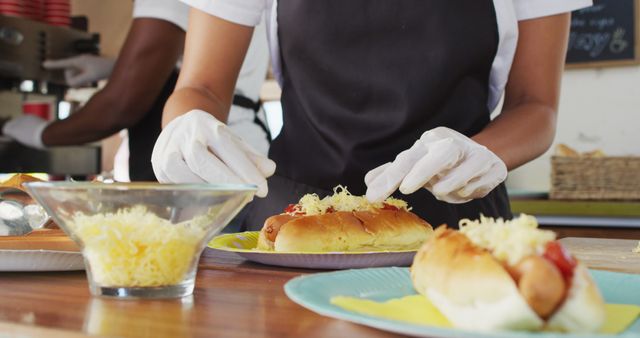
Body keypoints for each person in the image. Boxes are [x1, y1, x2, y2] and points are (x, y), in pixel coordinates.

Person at [151, 0, 592, 229]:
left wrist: (480, 152)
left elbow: (536, 105)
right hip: (297, 223)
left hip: (455, 222)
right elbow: (201, 88)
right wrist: (184, 126)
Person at [2, 0, 270, 181]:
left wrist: (41, 134)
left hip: (212, 161)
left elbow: (122, 104)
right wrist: (115, 68)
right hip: (239, 152)